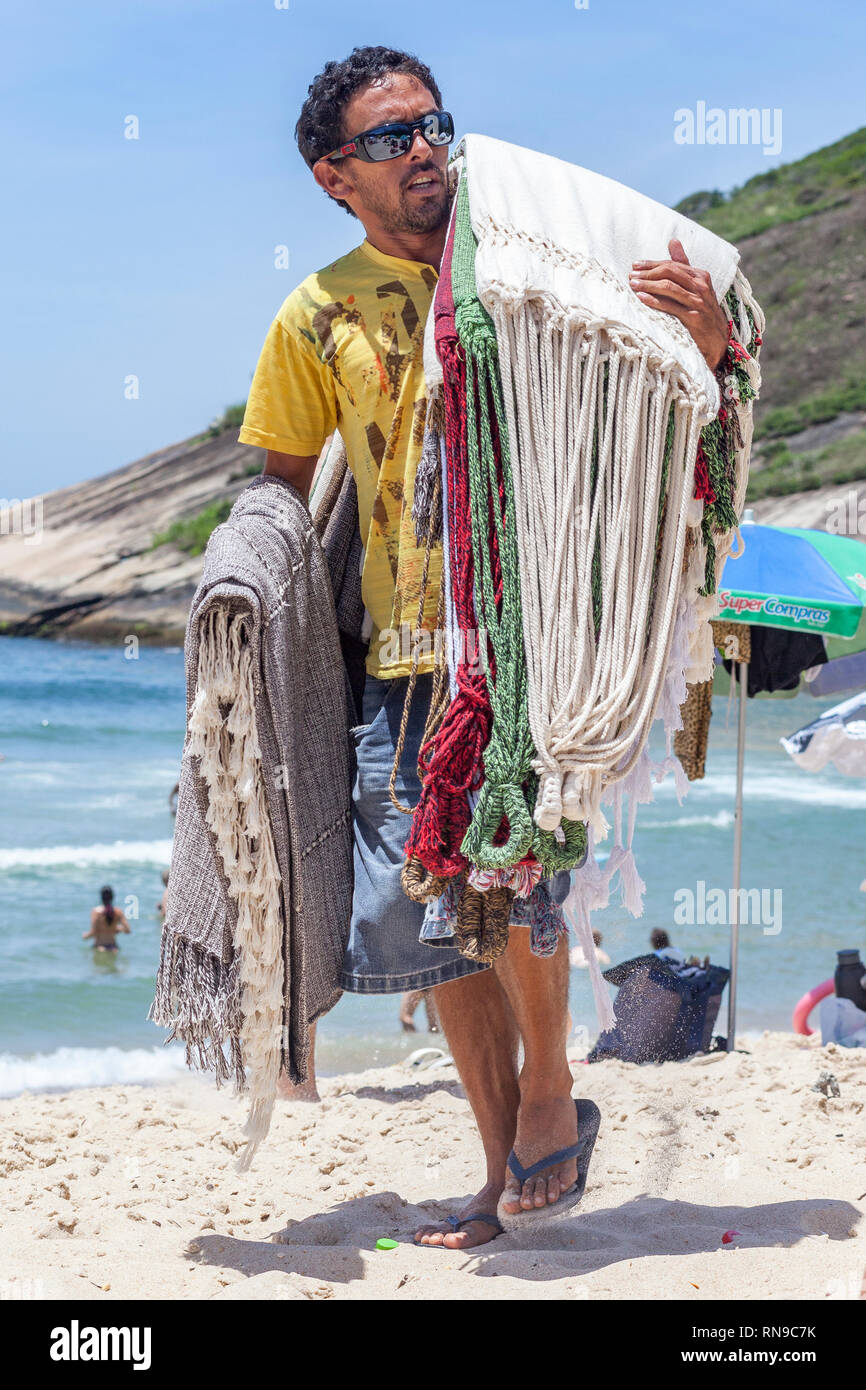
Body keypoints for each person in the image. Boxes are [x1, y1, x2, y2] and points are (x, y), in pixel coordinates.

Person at [238, 47, 735, 1249]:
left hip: (523, 640)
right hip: (397, 652)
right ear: (332, 176)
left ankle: (552, 1097)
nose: (425, 150)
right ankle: (498, 1156)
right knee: (426, 915)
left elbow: (669, 397)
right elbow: (279, 499)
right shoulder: (314, 314)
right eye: (390, 138)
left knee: (516, 878)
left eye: (434, 125)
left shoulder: (540, 269)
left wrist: (712, 341)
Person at [83, 885, 131, 953]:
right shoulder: (118, 911)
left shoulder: (96, 911)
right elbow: (128, 930)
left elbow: (93, 932)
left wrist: (85, 936)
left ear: (101, 897)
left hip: (100, 947)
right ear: (112, 897)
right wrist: (117, 928)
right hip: (114, 948)